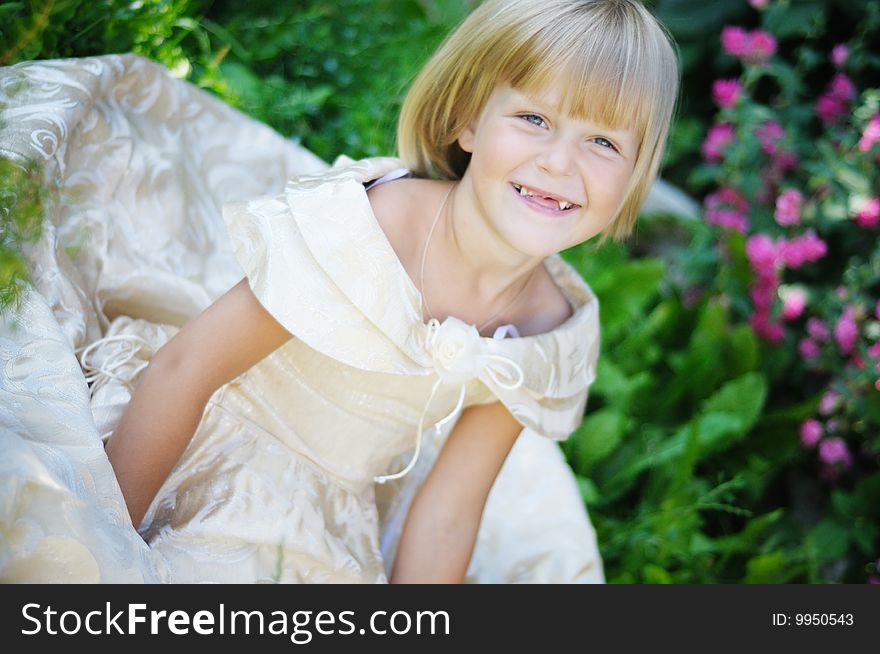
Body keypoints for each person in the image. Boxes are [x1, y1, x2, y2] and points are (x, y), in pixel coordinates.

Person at [1, 0, 678, 583]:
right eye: (533, 119)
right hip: (219, 436)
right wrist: (106, 544)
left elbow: (449, 511)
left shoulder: (549, 330)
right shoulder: (374, 228)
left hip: (333, 509)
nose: (560, 163)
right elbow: (188, 368)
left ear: (636, 176)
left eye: (602, 141)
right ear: (469, 123)